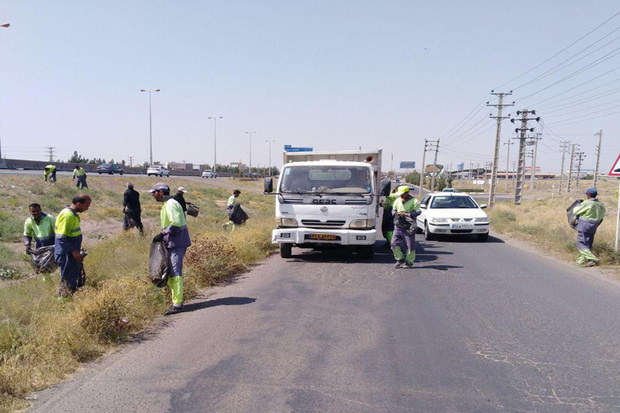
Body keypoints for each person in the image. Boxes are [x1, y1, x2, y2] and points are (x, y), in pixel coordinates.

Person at [149, 182, 191, 314]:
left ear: (161, 192)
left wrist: (162, 234)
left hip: (177, 243)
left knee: (175, 272)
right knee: (172, 272)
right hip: (173, 243)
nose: (153, 195)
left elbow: (176, 223)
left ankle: (177, 304)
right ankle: (176, 300)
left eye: (154, 192)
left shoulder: (171, 204)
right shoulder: (167, 204)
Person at [55, 194, 91, 300]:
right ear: (79, 204)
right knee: (68, 281)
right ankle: (63, 303)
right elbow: (61, 237)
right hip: (67, 255)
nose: (87, 209)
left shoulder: (73, 214)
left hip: (73, 253)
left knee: (79, 278)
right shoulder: (68, 216)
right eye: (86, 206)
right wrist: (74, 252)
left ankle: (77, 298)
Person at [572, 187, 605, 267]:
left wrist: (579, 204)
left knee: (581, 243)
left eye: (586, 194)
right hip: (594, 225)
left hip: (584, 225)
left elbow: (575, 211)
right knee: (588, 243)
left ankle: (593, 259)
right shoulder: (601, 204)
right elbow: (602, 217)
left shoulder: (587, 203)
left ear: (588, 194)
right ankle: (580, 261)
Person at [24, 203, 56, 281]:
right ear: (30, 211)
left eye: (37, 211)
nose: (36, 213)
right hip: (40, 246)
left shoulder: (49, 218)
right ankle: (49, 287)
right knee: (43, 268)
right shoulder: (28, 221)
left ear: (41, 210)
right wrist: (27, 245)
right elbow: (27, 234)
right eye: (33, 211)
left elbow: (58, 232)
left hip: (53, 245)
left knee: (60, 264)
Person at [391, 186, 421, 268]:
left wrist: (407, 214)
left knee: (409, 245)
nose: (400, 196)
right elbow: (393, 209)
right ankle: (399, 259)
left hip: (408, 226)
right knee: (393, 243)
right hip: (398, 225)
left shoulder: (414, 201)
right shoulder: (397, 200)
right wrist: (395, 213)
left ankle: (409, 262)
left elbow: (418, 211)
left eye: (402, 194)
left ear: (407, 193)